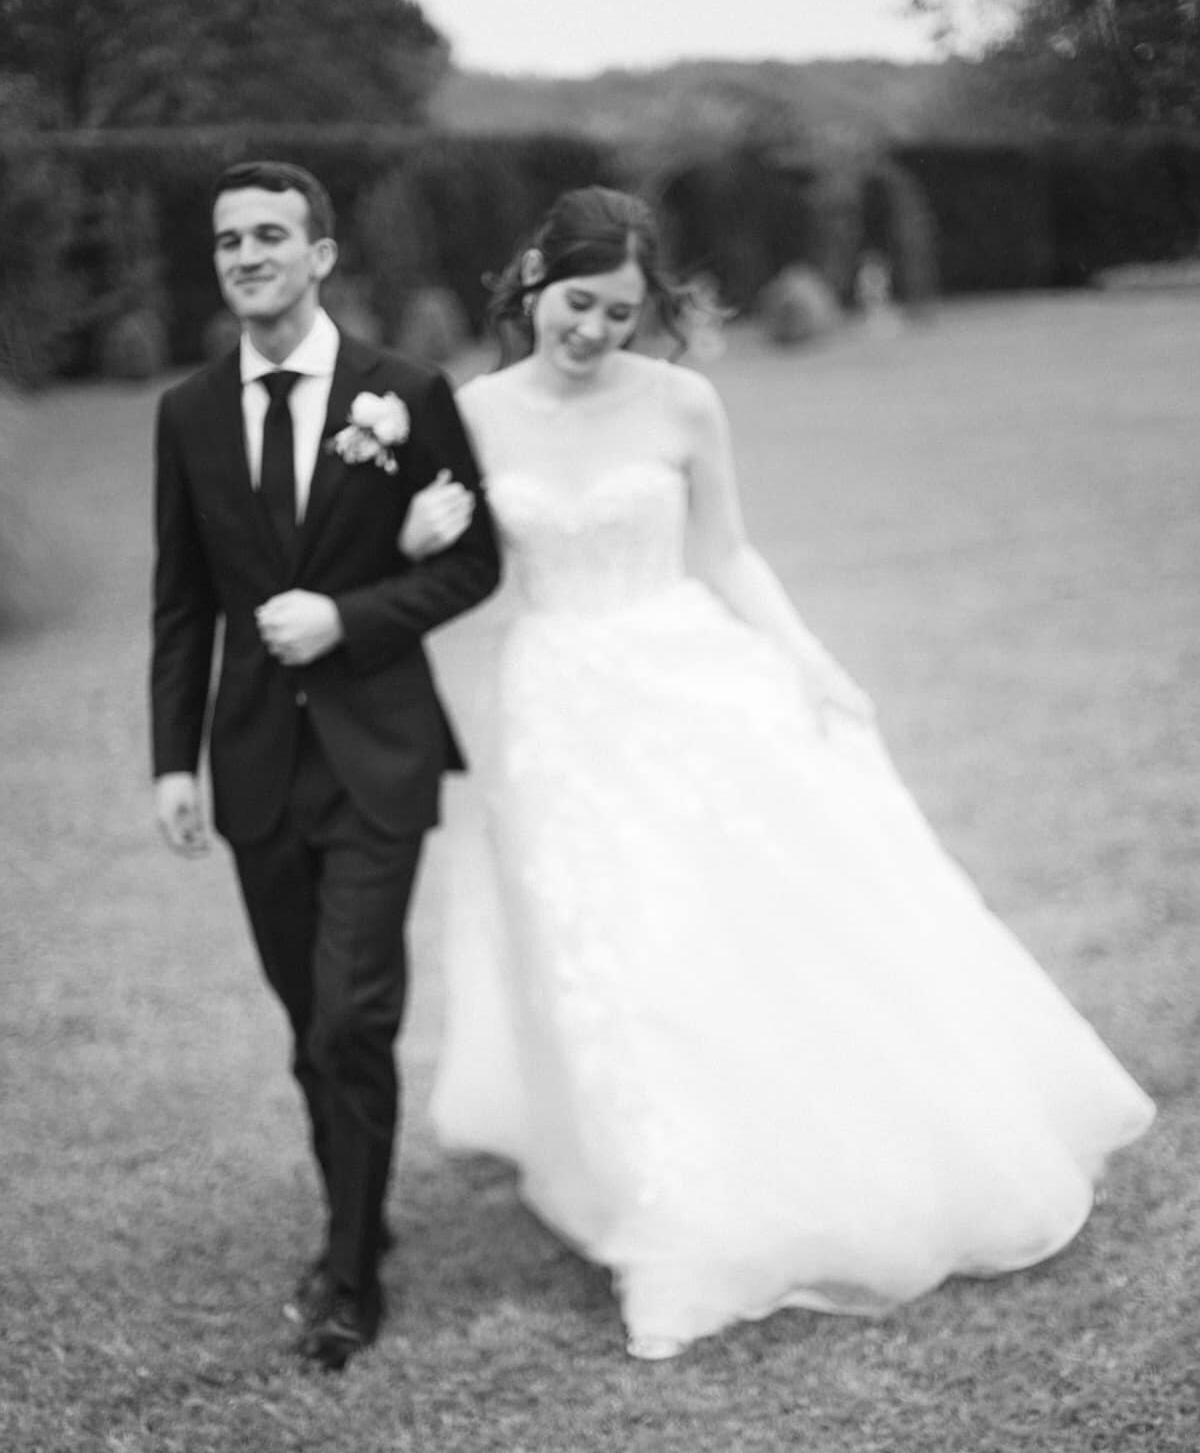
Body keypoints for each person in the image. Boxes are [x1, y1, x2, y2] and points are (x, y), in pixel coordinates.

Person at [400, 185, 1155, 1362]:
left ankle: (776, 1173)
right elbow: (451, 577)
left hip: (690, 677)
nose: (594, 331)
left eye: (621, 313)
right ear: (535, 280)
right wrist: (420, 536)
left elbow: (728, 552)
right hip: (556, 703)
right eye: (578, 303)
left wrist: (811, 662)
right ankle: (667, 1213)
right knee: (606, 950)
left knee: (748, 925)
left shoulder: (684, 402)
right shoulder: (472, 411)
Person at [150, 160, 500, 1369]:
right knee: (310, 1024)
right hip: (251, 762)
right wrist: (171, 761)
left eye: (269, 236)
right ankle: (362, 1209)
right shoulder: (187, 412)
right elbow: (182, 605)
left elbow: (472, 566)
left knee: (356, 1014)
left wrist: (347, 618)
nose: (245, 255)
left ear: (321, 254)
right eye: (227, 240)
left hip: (377, 754)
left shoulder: (404, 394)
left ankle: (348, 1272)